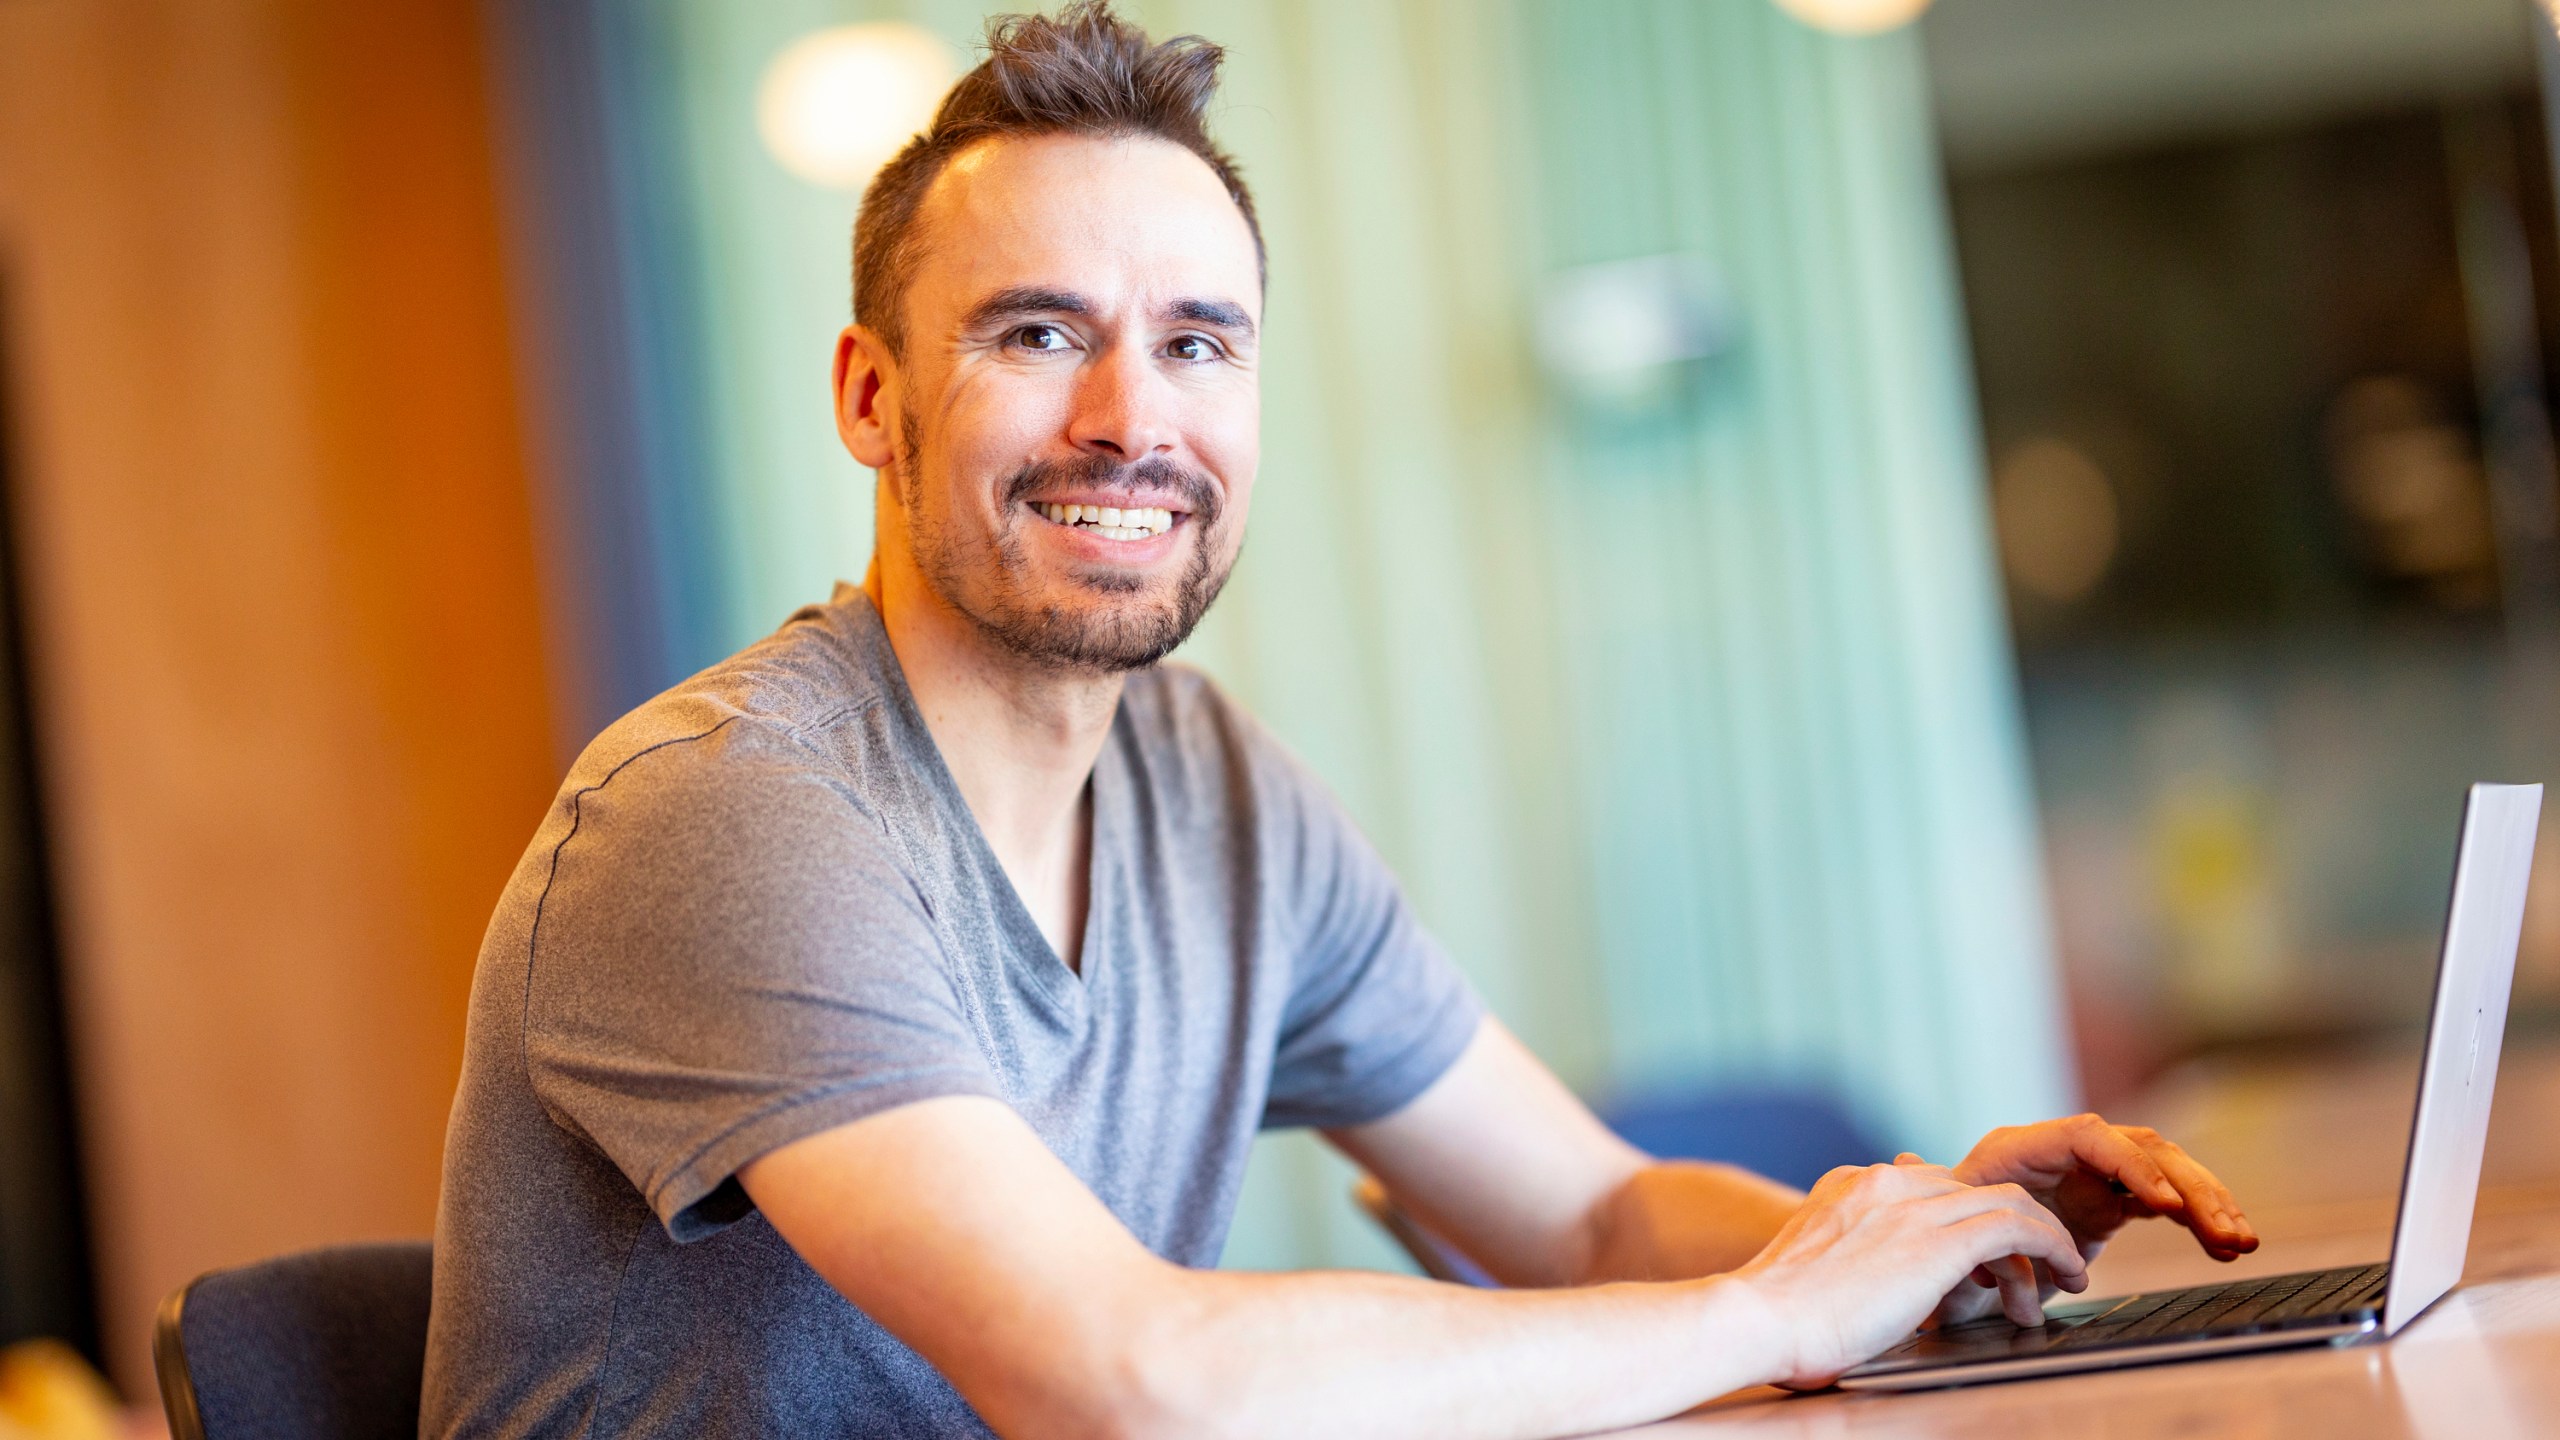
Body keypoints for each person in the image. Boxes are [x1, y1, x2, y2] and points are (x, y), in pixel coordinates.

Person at [420, 5, 2259, 1436]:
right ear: (871, 395)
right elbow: (1117, 1380)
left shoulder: (1209, 788)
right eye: (1038, 334)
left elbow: (1596, 1222)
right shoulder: (728, 815)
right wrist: (1774, 1315)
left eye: (1200, 342)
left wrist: (1910, 1247)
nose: (1130, 419)